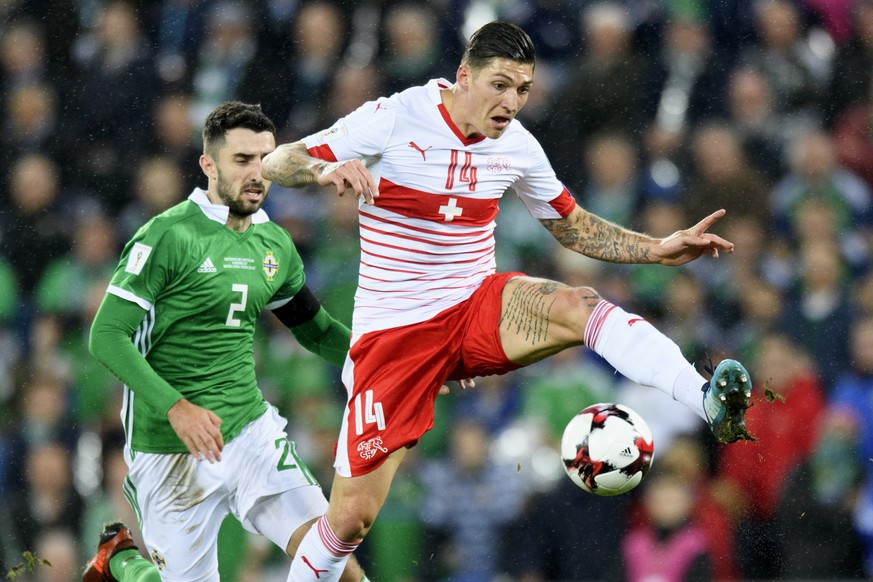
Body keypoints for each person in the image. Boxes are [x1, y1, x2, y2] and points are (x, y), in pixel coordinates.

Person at [261, 21, 754, 581]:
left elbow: (572, 228)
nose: (511, 102)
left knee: (580, 304)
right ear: (463, 76)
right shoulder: (395, 116)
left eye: (522, 89)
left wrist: (658, 249)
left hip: (477, 307)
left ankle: (704, 398)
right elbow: (279, 162)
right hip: (395, 335)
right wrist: (327, 167)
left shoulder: (516, 145)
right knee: (350, 520)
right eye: (500, 85)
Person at [83, 101, 368, 582]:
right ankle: (122, 562)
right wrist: (177, 407)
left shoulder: (274, 244)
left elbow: (316, 330)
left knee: (333, 560)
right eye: (242, 160)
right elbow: (106, 336)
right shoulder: (168, 236)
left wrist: (398, 364)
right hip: (170, 449)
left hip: (250, 432)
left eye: (264, 159)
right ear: (208, 165)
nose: (257, 173)